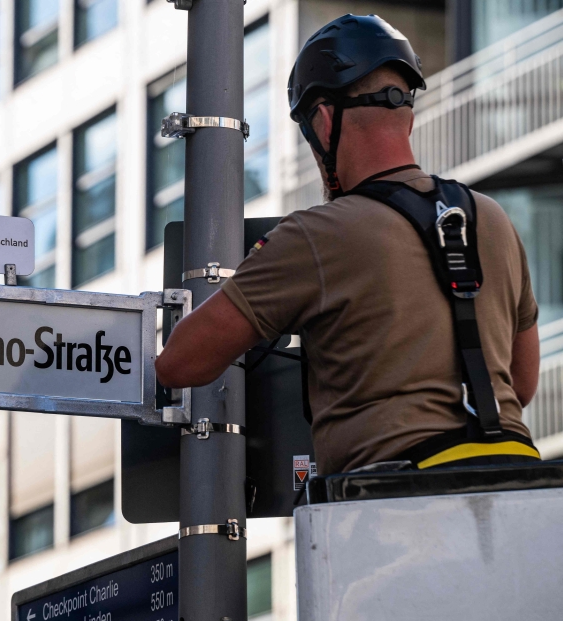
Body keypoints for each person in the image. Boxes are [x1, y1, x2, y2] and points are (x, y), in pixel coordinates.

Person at [154, 14, 541, 475]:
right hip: (519, 479)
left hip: (392, 501)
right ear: (408, 119)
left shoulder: (315, 236)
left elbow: (179, 364)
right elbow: (520, 382)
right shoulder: (490, 217)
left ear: (322, 121)